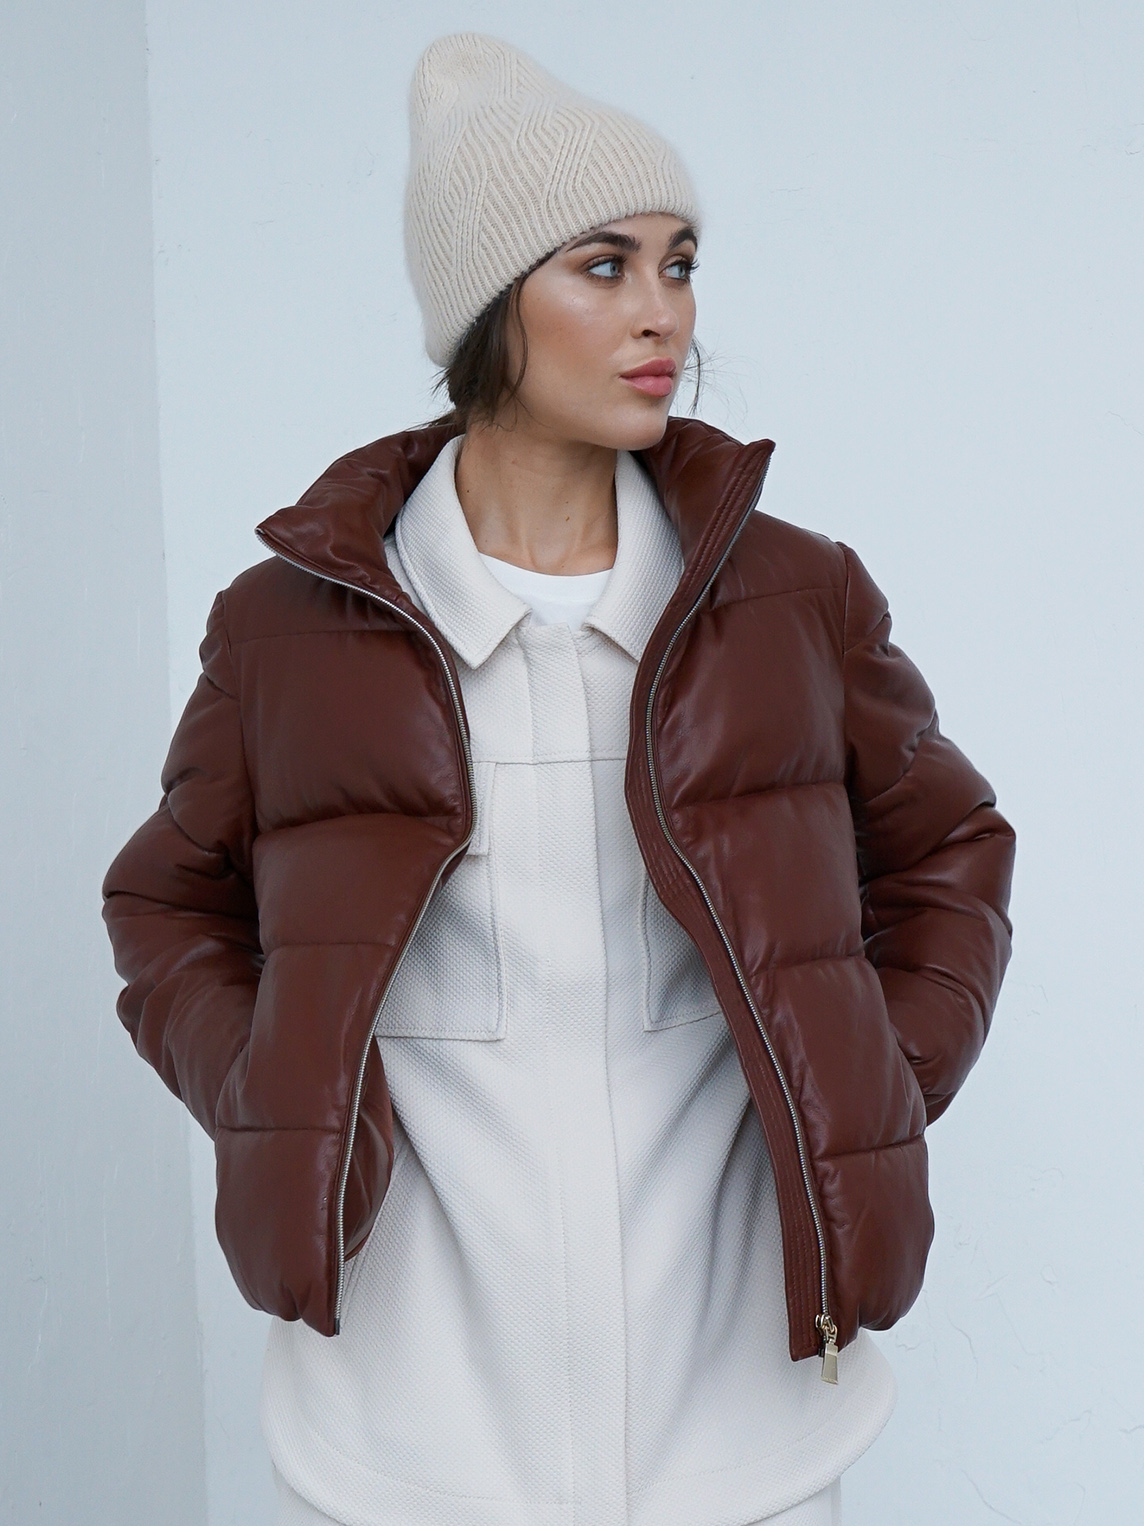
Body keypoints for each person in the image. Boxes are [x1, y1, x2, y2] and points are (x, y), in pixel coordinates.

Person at [102, 33, 1015, 1526]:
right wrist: (275, 1092)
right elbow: (165, 901)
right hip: (401, 1430)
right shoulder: (287, 633)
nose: (664, 314)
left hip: (740, 1424)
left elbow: (950, 845)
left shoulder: (792, 598)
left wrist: (865, 1081)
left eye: (679, 264)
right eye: (604, 266)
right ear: (486, 307)